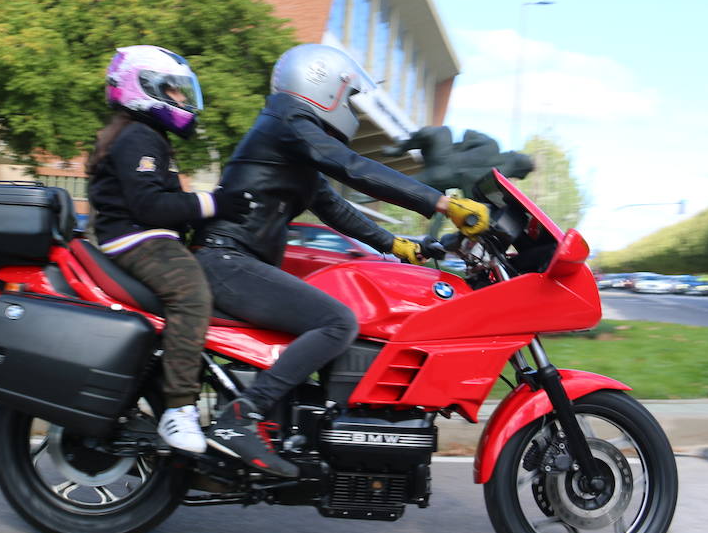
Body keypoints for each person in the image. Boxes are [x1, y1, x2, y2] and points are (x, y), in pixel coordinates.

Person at [193, 43, 491, 477]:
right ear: (323, 86)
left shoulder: (288, 135)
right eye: (348, 97)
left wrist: (396, 245)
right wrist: (441, 203)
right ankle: (242, 417)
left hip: (234, 262)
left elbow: (333, 207)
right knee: (337, 322)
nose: (350, 109)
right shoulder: (288, 120)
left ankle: (291, 428)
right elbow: (349, 165)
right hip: (226, 261)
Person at [87, 45, 252, 454]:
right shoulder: (138, 137)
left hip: (148, 235)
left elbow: (166, 205)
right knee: (191, 295)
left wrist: (213, 212)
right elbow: (149, 206)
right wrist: (215, 202)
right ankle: (179, 410)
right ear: (143, 87)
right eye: (174, 91)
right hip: (135, 239)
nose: (181, 100)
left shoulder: (146, 137)